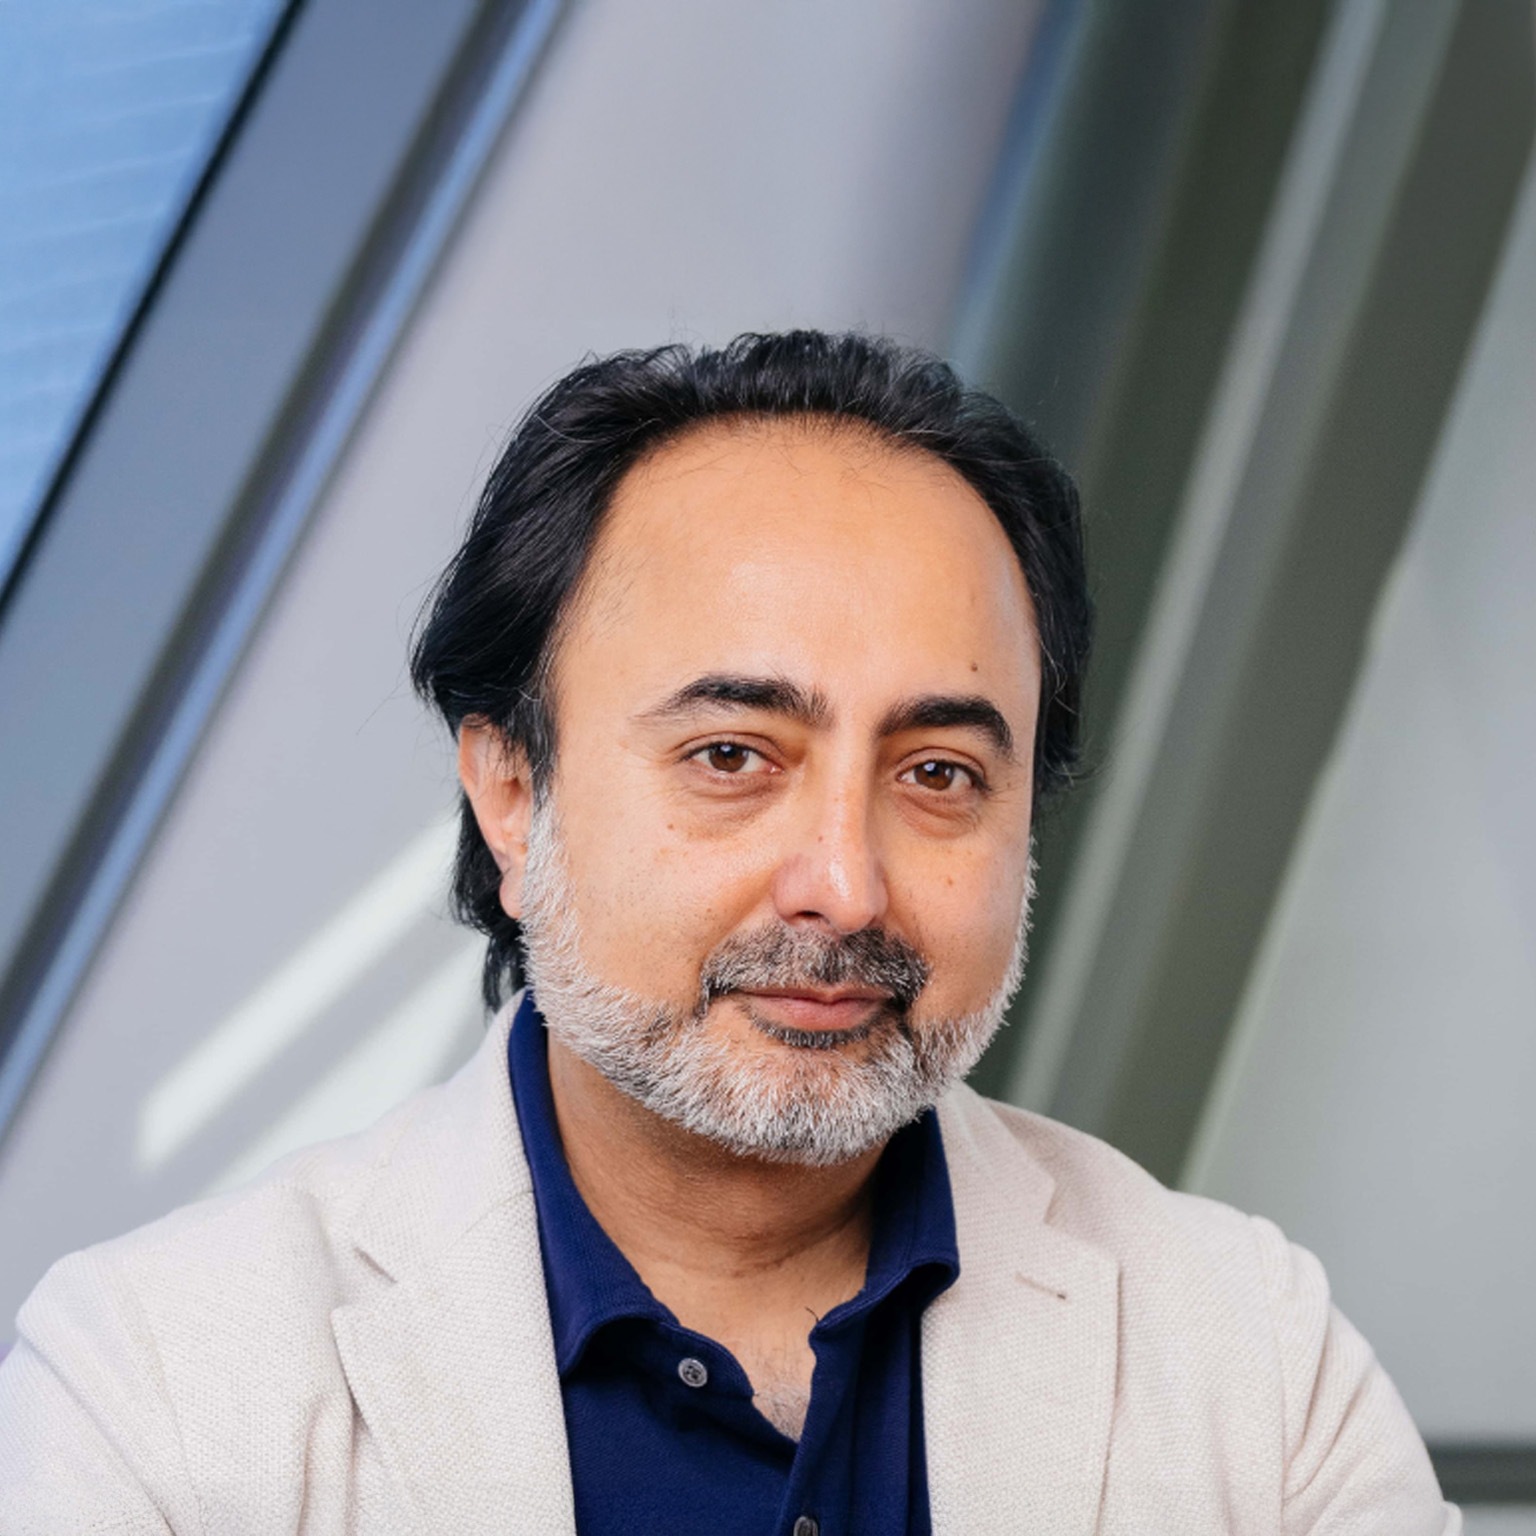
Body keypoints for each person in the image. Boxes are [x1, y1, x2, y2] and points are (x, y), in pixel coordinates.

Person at [0, 332, 1453, 1533]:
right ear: (514, 793)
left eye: (939, 775)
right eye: (733, 757)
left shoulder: (1253, 1357)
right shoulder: (158, 1384)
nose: (845, 886)